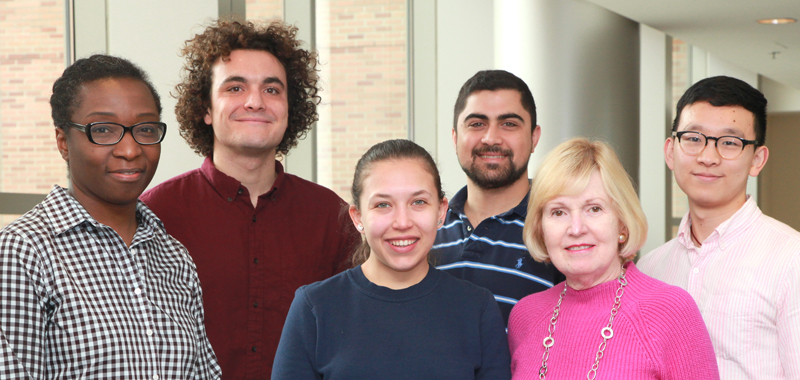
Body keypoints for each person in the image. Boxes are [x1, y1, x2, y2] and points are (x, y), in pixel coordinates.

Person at [140, 20, 359, 378]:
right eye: (236, 87)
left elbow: (351, 338)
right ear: (206, 109)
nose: (256, 102)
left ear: (291, 108)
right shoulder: (155, 214)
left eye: (272, 89)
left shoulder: (329, 216)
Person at [0, 55, 220, 378]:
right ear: (63, 141)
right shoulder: (23, 252)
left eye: (145, 129)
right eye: (102, 130)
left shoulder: (174, 256)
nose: (130, 150)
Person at [271, 139, 511, 380]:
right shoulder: (314, 308)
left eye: (418, 202)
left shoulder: (477, 308)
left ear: (440, 211)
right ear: (358, 218)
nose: (403, 222)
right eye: (383, 204)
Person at [508, 138, 719, 379]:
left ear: (622, 222)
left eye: (594, 209)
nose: (576, 228)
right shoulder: (525, 316)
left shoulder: (670, 311)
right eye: (558, 212)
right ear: (540, 228)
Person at [638, 76, 799, 379]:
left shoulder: (791, 259)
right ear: (671, 151)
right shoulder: (651, 269)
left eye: (729, 143)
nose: (708, 157)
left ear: (757, 159)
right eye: (694, 138)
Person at [433, 70, 564, 325]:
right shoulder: (426, 228)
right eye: (476, 124)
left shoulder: (561, 227)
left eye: (509, 124)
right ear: (455, 137)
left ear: (534, 137)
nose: (491, 138)